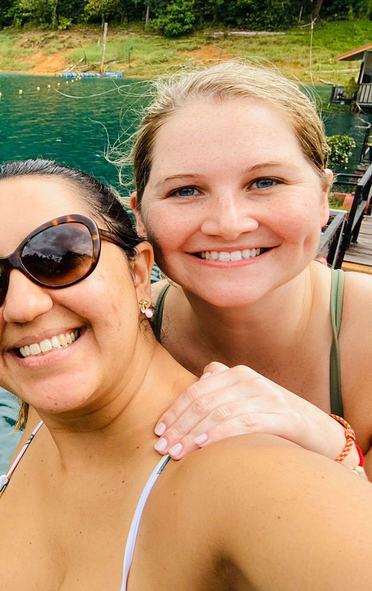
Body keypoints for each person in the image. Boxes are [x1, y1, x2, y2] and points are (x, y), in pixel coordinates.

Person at [0, 160, 370, 591]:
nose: (20, 307)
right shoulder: (45, 416)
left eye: (59, 256)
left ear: (138, 271)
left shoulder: (246, 479)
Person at [124, 62, 372, 473]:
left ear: (323, 196)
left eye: (266, 182)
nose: (228, 224)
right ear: (141, 215)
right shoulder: (121, 333)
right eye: (185, 190)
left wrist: (335, 447)